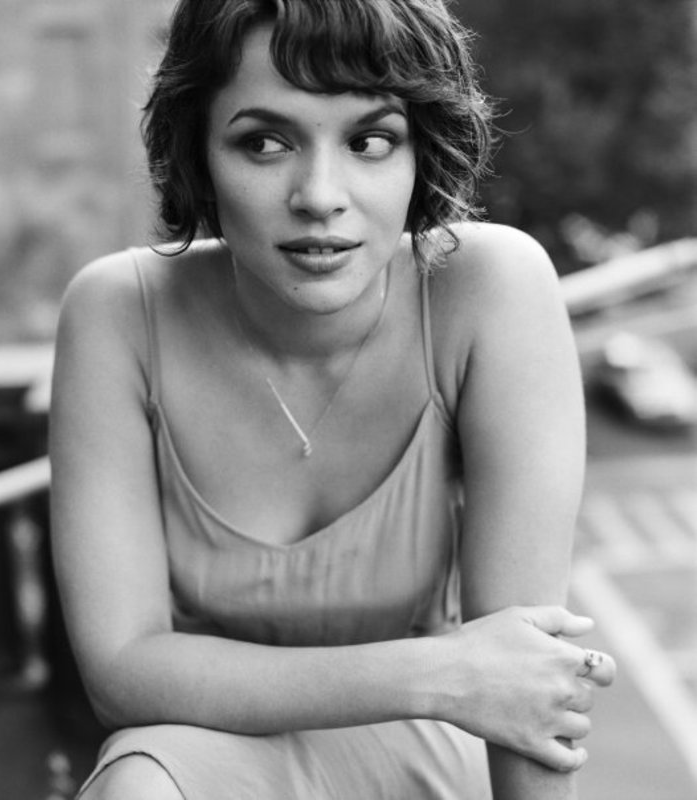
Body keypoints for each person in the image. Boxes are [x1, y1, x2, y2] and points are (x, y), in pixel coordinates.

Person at [49, 1, 616, 798]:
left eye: (369, 141)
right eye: (264, 142)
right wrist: (444, 674)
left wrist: (472, 687)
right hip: (212, 751)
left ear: (420, 151)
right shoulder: (117, 313)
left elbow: (523, 682)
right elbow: (122, 670)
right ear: (198, 150)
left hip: (429, 752)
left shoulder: (489, 290)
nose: (319, 195)